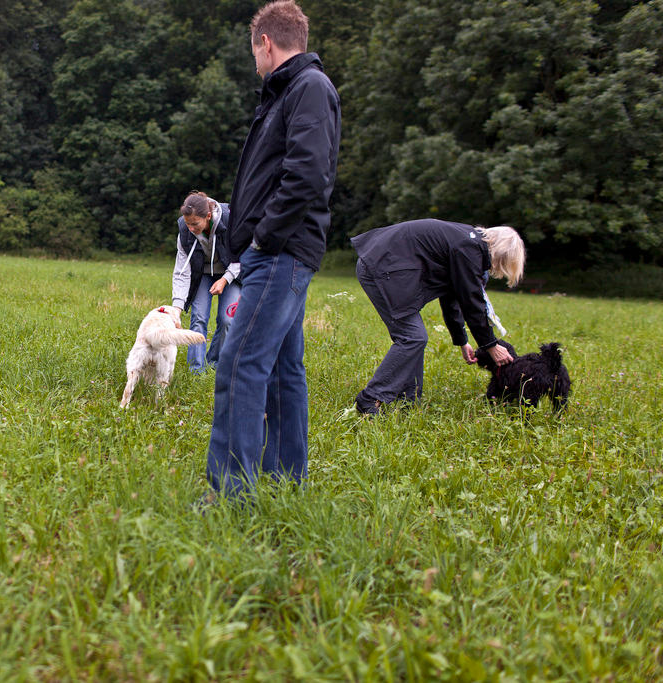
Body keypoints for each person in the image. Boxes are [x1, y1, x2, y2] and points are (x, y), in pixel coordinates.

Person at [204, 0, 340, 500]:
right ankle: (285, 479)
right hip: (280, 249)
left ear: (265, 42)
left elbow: (307, 174)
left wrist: (264, 236)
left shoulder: (307, 88)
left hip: (280, 252)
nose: (255, 63)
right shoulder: (288, 92)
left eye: (253, 52)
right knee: (283, 369)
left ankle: (229, 494)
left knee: (238, 363)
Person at [350, 219, 525, 414]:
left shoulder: (467, 243)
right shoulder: (469, 250)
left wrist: (462, 340)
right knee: (412, 337)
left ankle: (408, 400)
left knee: (414, 338)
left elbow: (452, 298)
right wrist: (491, 345)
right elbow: (472, 304)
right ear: (502, 255)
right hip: (380, 268)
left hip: (382, 264)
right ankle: (370, 399)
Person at [171, 192, 241, 373]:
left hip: (231, 274)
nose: (191, 228)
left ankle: (215, 363)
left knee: (227, 320)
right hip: (202, 275)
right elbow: (181, 271)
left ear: (208, 216)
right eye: (187, 223)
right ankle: (196, 370)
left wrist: (225, 279)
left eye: (195, 224)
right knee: (199, 318)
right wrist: (176, 308)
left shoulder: (230, 220)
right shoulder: (185, 231)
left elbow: (243, 256)